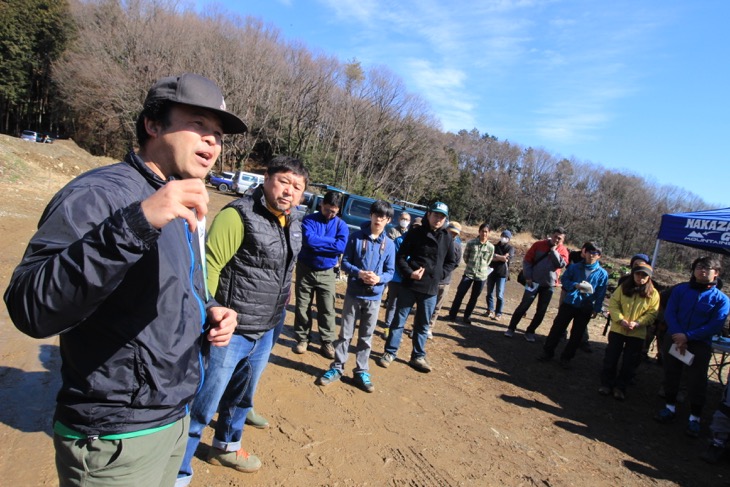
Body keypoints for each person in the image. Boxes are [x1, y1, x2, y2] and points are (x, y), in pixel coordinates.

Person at [3, 73, 242, 487]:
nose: (212, 142)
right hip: (115, 435)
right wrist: (136, 223)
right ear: (153, 124)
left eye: (218, 134)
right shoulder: (100, 193)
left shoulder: (181, 198)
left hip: (170, 418)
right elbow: (30, 307)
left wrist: (207, 309)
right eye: (199, 125)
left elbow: (166, 288)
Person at [178, 157, 308, 484]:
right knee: (203, 404)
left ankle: (226, 446)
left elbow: (283, 269)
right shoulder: (238, 215)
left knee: (242, 396)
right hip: (230, 329)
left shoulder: (292, 222)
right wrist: (210, 310)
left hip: (267, 326)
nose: (288, 191)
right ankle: (177, 471)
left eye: (297, 187)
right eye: (283, 182)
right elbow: (208, 266)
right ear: (266, 178)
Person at [317, 200, 395, 392]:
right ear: (371, 215)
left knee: (366, 337)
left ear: (388, 220)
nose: (379, 220)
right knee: (345, 334)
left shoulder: (390, 245)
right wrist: (359, 273)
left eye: (383, 217)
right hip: (353, 294)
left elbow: (391, 271)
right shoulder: (356, 238)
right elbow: (345, 263)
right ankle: (337, 367)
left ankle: (361, 371)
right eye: (376, 215)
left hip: (374, 298)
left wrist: (379, 278)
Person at [655, 256, 730, 438]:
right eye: (699, 267)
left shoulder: (721, 299)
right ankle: (669, 407)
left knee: (697, 381)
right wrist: (678, 335)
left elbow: (715, 324)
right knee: (671, 373)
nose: (702, 271)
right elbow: (671, 313)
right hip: (674, 338)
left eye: (707, 268)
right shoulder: (681, 290)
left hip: (699, 344)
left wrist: (688, 336)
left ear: (716, 273)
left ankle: (694, 417)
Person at [378, 202, 457, 373]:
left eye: (442, 217)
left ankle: (418, 356)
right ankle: (390, 352)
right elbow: (400, 257)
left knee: (422, 325)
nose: (438, 219)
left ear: (445, 219)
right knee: (399, 321)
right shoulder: (415, 233)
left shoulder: (447, 237)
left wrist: (438, 275)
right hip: (409, 285)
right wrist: (409, 272)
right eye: (436, 215)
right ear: (429, 215)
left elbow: (452, 261)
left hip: (430, 289)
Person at [292, 190, 349, 358]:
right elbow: (308, 240)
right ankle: (302, 339)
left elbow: (341, 247)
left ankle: (327, 341)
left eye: (334, 211)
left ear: (338, 210)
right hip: (305, 269)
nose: (330, 214)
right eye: (327, 209)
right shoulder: (309, 219)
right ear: (321, 205)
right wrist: (331, 243)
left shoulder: (341, 225)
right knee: (303, 306)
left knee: (327, 308)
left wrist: (319, 243)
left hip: (327, 272)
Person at [538, 241, 608, 368]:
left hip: (586, 306)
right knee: (557, 328)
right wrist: (574, 285)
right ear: (585, 253)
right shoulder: (575, 267)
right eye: (590, 252)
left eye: (595, 253)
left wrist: (596, 309)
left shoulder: (602, 273)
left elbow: (601, 292)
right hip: (570, 301)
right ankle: (547, 352)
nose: (592, 255)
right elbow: (564, 279)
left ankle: (566, 358)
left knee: (577, 334)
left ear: (599, 256)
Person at [600, 262, 659, 400]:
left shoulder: (653, 294)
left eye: (644, 275)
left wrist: (638, 323)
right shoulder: (623, 288)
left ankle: (620, 387)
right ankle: (606, 384)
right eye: (638, 274)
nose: (640, 278)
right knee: (611, 357)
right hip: (618, 329)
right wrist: (620, 320)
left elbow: (652, 313)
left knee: (629, 362)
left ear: (649, 277)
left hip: (637, 333)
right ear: (633, 274)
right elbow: (613, 304)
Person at [504, 228, 569, 341]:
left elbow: (560, 264)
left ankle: (530, 331)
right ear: (551, 235)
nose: (557, 240)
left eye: (560, 238)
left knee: (541, 311)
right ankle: (511, 328)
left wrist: (554, 251)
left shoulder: (563, 251)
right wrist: (528, 276)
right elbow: (527, 260)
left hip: (549, 285)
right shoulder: (539, 245)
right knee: (524, 305)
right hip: (533, 282)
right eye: (555, 237)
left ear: (563, 240)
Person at [381, 217, 423, 337]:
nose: (416, 229)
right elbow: (396, 260)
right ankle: (387, 328)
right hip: (397, 279)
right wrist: (406, 273)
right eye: (414, 227)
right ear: (411, 227)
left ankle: (397, 330)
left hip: (411, 280)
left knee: (404, 307)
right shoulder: (400, 240)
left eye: (419, 227)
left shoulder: (422, 244)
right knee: (392, 304)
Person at [448, 222, 494, 324]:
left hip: (481, 276)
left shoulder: (491, 247)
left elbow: (489, 260)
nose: (484, 234)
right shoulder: (471, 243)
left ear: (489, 233)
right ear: (479, 231)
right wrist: (471, 266)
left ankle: (467, 317)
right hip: (469, 273)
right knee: (460, 294)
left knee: (474, 298)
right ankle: (452, 314)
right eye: (482, 231)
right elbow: (466, 257)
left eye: (486, 232)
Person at [428, 221, 463, 338]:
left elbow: (456, 263)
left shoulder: (457, 247)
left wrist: (443, 273)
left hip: (445, 281)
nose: (452, 235)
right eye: (451, 232)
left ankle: (429, 328)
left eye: (455, 234)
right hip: (431, 279)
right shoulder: (437, 241)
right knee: (425, 305)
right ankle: (419, 327)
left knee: (437, 307)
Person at [485, 229, 514, 320]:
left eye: (506, 237)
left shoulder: (510, 248)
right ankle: (490, 310)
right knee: (489, 292)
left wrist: (496, 256)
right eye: (503, 236)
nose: (504, 238)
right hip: (491, 272)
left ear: (509, 239)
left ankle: (498, 313)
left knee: (499, 295)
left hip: (502, 274)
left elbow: (506, 259)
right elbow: (489, 257)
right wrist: (500, 257)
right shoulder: (494, 246)